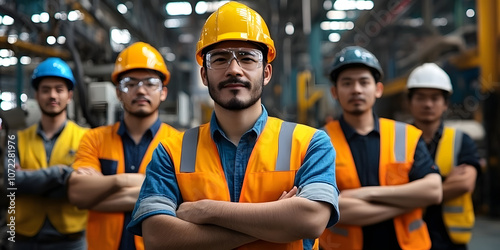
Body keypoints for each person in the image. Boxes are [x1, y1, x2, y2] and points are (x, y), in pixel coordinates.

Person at [127, 2, 340, 249]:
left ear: (267, 72)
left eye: (247, 58)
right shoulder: (170, 152)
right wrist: (278, 222)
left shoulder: (310, 143)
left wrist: (207, 211)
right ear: (204, 75)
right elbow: (157, 236)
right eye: (219, 59)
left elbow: (311, 220)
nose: (234, 69)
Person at [319, 46, 443, 250]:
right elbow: (331, 209)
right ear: (335, 92)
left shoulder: (406, 134)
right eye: (347, 83)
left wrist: (365, 194)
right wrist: (410, 200)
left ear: (378, 89)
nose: (356, 89)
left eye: (364, 82)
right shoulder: (320, 141)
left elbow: (433, 191)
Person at [68, 42, 179, 250]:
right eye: (130, 83)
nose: (140, 90)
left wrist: (101, 190)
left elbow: (180, 203)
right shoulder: (94, 139)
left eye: (150, 82)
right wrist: (126, 181)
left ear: (163, 92)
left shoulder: (178, 144)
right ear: (118, 92)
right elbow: (77, 195)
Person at [9, 57, 88, 249]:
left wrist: (29, 178)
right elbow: (12, 182)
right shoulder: (16, 138)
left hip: (71, 240)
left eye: (59, 89)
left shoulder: (87, 137)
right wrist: (63, 173)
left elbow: (82, 187)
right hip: (24, 239)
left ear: (69, 96)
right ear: (36, 95)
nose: (52, 95)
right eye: (46, 90)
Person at [406, 63, 481, 250]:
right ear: (409, 102)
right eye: (420, 97)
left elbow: (465, 183)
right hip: (408, 239)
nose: (428, 104)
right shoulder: (396, 140)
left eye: (435, 98)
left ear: (445, 103)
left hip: (450, 241)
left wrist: (411, 193)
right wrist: (448, 182)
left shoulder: (461, 141)